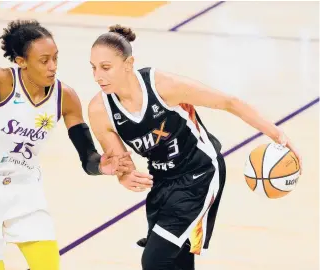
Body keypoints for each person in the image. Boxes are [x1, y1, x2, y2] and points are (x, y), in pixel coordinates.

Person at [0, 20, 134, 270]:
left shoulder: (66, 97)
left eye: (55, 58)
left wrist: (103, 166)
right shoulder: (2, 81)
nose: (52, 67)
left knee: (48, 265)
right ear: (21, 61)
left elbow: (88, 157)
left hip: (25, 186)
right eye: (44, 60)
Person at [87, 24, 303, 270]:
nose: (97, 76)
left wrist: (278, 135)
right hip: (162, 180)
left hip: (199, 171)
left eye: (105, 68)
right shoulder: (99, 110)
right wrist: (124, 177)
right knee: (177, 260)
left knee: (155, 260)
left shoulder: (162, 85)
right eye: (93, 68)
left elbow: (228, 102)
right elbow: (122, 164)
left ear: (128, 63)